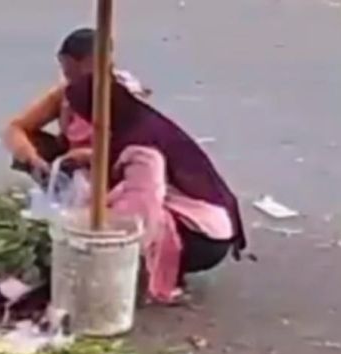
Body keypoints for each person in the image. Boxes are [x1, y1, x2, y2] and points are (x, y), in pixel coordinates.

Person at [64, 75, 247, 302]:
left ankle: (164, 276)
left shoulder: (141, 149)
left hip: (205, 236)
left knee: (121, 221)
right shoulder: (137, 121)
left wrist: (93, 241)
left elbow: (140, 212)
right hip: (207, 215)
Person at [3, 28, 149, 184]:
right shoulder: (65, 93)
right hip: (70, 165)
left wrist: (90, 155)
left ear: (91, 62)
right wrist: (32, 158)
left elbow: (140, 144)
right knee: (32, 143)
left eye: (69, 65)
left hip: (113, 163)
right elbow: (16, 127)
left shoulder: (126, 94)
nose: (65, 72)